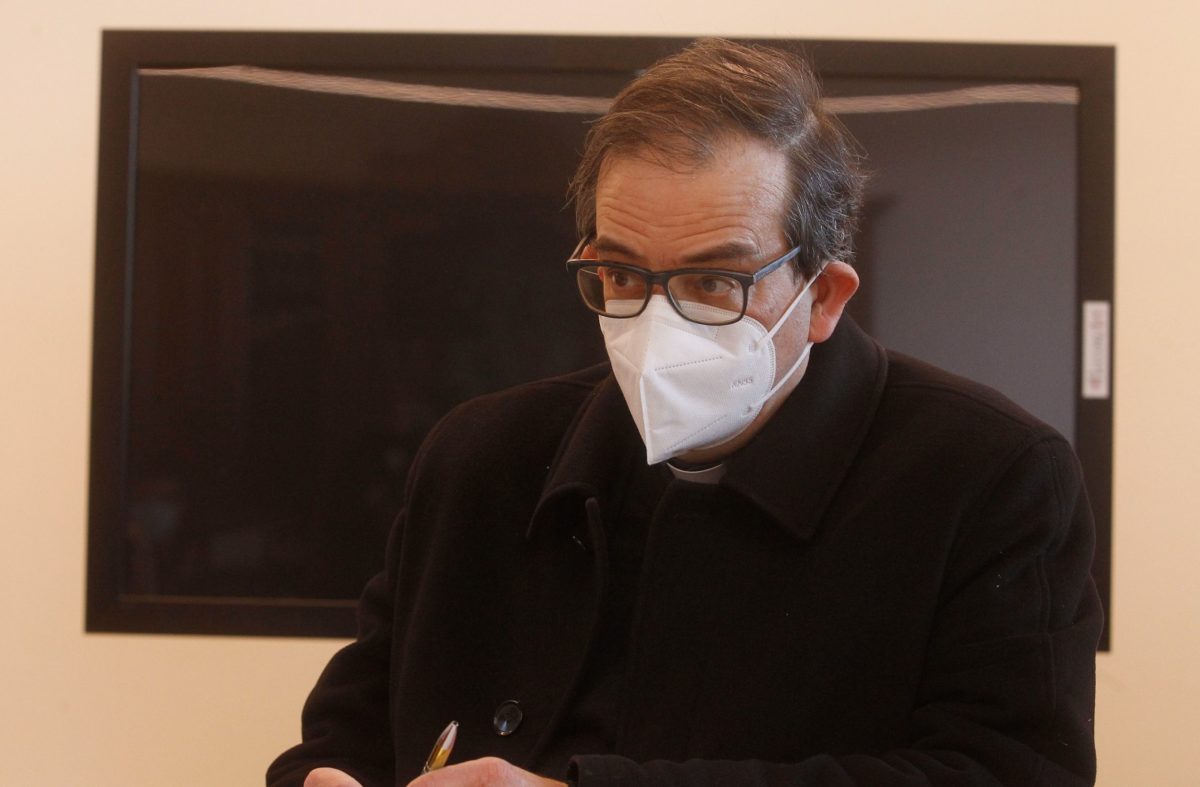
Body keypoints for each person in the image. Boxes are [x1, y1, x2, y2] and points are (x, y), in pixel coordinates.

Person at [268, 38, 1101, 787]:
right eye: (623, 275)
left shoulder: (988, 477)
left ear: (823, 296)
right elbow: (347, 731)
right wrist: (325, 777)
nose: (658, 323)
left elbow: (1006, 772)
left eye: (714, 281)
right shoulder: (481, 456)